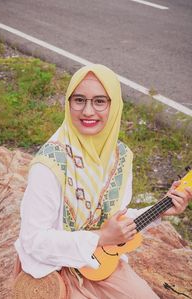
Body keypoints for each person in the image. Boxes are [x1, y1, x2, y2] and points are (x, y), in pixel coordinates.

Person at [13, 64, 192, 299]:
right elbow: (34, 240)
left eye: (100, 101)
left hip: (100, 263)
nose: (88, 111)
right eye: (79, 100)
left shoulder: (120, 157)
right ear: (68, 104)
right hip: (52, 270)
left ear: (114, 106)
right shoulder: (49, 164)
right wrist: (101, 237)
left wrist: (161, 209)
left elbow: (114, 223)